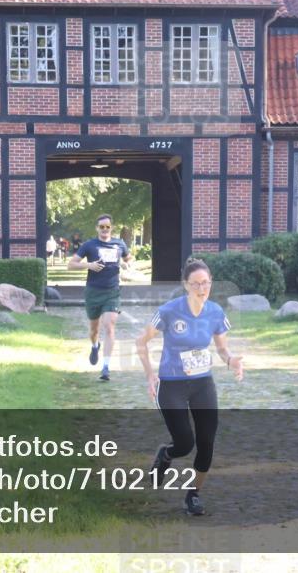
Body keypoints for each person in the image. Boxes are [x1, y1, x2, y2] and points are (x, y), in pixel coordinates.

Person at [135, 259, 244, 516]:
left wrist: (231, 360)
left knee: (206, 443)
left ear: (211, 284)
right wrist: (150, 375)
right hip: (171, 385)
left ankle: (193, 495)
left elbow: (220, 347)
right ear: (186, 285)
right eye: (196, 283)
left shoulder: (216, 312)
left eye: (205, 283)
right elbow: (141, 342)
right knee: (184, 443)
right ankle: (166, 454)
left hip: (202, 383)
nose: (201, 288)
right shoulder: (169, 311)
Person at [67, 214, 132, 381]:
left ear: (111, 228)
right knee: (94, 329)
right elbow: (71, 265)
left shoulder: (119, 244)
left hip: (112, 292)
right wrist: (89, 265)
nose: (104, 230)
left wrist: (126, 265)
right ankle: (95, 346)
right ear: (97, 228)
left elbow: (128, 259)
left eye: (107, 227)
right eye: (101, 227)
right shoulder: (90, 245)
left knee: (109, 326)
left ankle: (106, 367)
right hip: (93, 291)